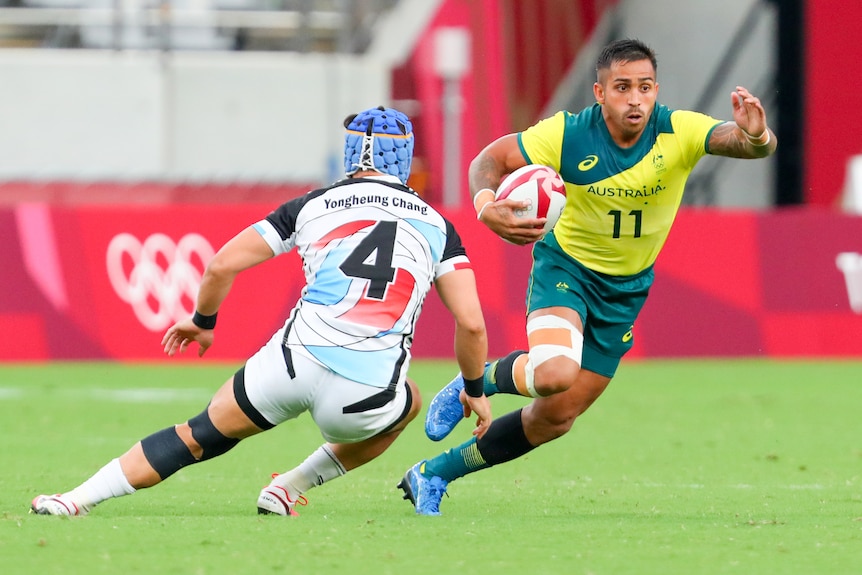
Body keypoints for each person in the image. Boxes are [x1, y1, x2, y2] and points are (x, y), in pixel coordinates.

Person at [30, 106, 492, 518]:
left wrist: (202, 322)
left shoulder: (311, 205)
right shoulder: (438, 226)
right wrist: (473, 388)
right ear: (406, 157)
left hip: (290, 365)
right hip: (363, 393)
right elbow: (471, 322)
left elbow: (220, 265)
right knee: (408, 400)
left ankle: (75, 499)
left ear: (350, 154)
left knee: (198, 435)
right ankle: (290, 487)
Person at [398, 38, 777, 515]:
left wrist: (758, 135)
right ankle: (475, 381)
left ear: (656, 90)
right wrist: (485, 208)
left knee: (556, 417)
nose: (635, 99)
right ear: (599, 93)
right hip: (567, 271)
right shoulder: (567, 134)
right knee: (556, 373)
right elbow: (486, 163)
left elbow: (743, 141)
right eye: (622, 87)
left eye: (644, 87)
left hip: (627, 290)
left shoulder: (677, 130)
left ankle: (432, 474)